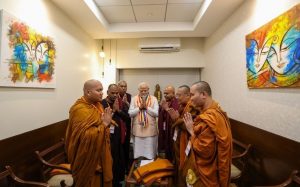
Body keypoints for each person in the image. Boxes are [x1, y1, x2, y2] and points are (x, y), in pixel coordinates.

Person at [183, 81, 232, 187]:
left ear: (203, 94)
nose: (190, 99)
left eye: (192, 95)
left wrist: (191, 131)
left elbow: (204, 150)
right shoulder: (209, 112)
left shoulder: (211, 117)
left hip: (207, 173)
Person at [65, 79, 113, 187]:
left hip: (101, 152)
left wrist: (106, 123)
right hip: (87, 157)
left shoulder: (97, 105)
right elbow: (84, 137)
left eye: (102, 90)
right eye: (98, 90)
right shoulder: (79, 109)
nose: (102, 93)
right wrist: (104, 124)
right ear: (88, 92)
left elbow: (100, 124)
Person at [167, 85, 199, 187]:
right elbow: (181, 123)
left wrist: (176, 120)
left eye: (179, 95)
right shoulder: (183, 106)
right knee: (178, 166)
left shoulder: (192, 107)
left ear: (187, 95)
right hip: (180, 141)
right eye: (176, 94)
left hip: (187, 143)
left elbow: (191, 126)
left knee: (185, 167)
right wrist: (176, 119)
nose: (176, 97)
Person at [102, 84, 128, 187]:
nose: (115, 95)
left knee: (118, 159)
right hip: (107, 136)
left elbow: (127, 118)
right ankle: (110, 182)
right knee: (110, 159)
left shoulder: (120, 102)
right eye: (112, 93)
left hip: (118, 135)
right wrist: (113, 111)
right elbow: (105, 120)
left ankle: (117, 181)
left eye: (117, 93)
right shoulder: (102, 103)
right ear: (107, 92)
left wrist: (118, 110)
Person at [128, 82, 159, 160]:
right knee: (138, 155)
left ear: (148, 90)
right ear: (138, 90)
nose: (144, 92)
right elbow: (130, 113)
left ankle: (149, 167)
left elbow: (156, 113)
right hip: (138, 130)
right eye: (141, 90)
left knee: (150, 154)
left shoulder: (154, 98)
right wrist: (139, 108)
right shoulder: (134, 99)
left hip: (150, 131)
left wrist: (147, 108)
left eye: (145, 90)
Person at [158, 85, 178, 161]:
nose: (165, 95)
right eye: (164, 93)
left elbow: (175, 117)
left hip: (172, 131)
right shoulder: (165, 102)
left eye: (167, 93)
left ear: (173, 93)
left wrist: (166, 109)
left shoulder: (176, 103)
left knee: (173, 149)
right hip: (165, 130)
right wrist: (161, 108)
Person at [117, 80, 132, 172]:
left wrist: (126, 103)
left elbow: (133, 110)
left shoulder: (129, 96)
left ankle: (127, 166)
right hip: (118, 125)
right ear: (118, 87)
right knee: (119, 147)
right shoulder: (114, 96)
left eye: (125, 86)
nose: (123, 88)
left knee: (126, 146)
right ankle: (120, 167)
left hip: (127, 124)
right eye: (121, 86)